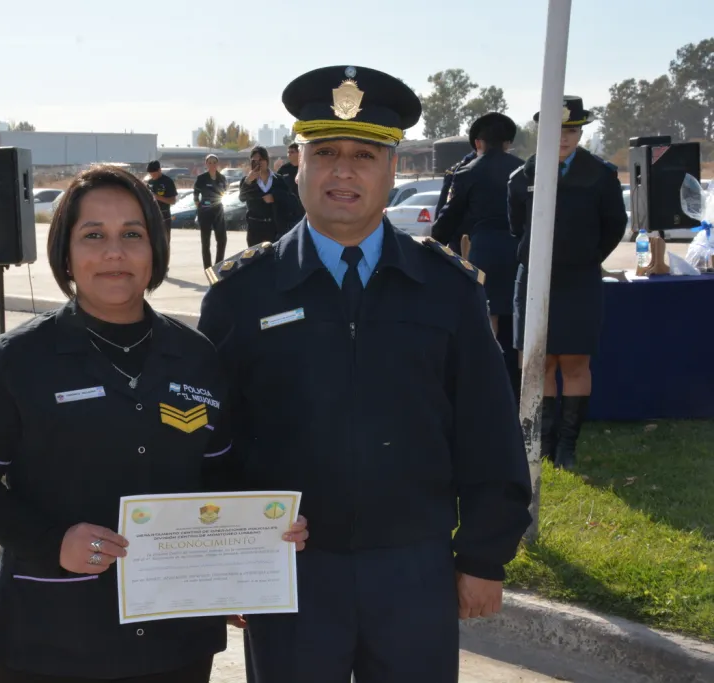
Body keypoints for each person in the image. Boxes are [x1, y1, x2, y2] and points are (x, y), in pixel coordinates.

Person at [198, 64, 533, 683]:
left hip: (415, 569)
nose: (344, 172)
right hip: (290, 568)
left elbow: (487, 430)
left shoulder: (447, 289)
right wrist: (230, 556)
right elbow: (214, 439)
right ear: (298, 163)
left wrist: (485, 555)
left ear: (392, 168)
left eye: (364, 155)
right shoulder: (242, 294)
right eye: (325, 153)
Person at [0, 164, 307, 683]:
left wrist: (254, 542)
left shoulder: (196, 357)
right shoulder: (16, 360)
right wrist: (51, 542)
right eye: (94, 235)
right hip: (51, 637)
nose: (115, 252)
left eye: (132, 234)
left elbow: (218, 475)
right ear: (65, 253)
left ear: (155, 248)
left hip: (174, 638)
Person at [508, 96, 627, 470]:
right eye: (556, 130)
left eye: (572, 131)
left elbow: (614, 226)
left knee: (574, 362)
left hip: (578, 280)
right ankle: (542, 444)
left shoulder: (601, 175)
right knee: (538, 362)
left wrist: (586, 256)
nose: (563, 138)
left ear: (580, 134)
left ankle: (566, 447)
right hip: (534, 279)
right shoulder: (522, 176)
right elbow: (516, 227)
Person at [431, 112, 524, 339]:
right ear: (507, 144)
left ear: (478, 143)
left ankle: (489, 361)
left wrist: (435, 243)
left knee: (486, 315)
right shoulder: (525, 171)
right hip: (521, 253)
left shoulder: (467, 172)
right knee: (520, 316)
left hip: (483, 251)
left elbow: (450, 214)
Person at [239, 145, 301, 245]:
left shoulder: (278, 179)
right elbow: (242, 197)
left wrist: (275, 196)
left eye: (261, 160)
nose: (258, 163)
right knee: (255, 255)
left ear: (267, 160)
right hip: (255, 229)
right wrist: (248, 181)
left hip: (275, 228)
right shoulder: (248, 181)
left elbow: (292, 200)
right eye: (254, 161)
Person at [193, 154, 228, 271]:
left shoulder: (222, 178)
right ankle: (208, 267)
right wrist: (199, 204)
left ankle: (218, 265)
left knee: (222, 240)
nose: (212, 164)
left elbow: (225, 191)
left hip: (218, 210)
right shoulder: (201, 178)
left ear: (218, 164)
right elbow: (196, 194)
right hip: (205, 211)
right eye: (210, 162)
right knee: (206, 241)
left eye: (214, 162)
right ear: (206, 164)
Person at [145, 160, 177, 240]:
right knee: (152, 240)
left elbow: (173, 201)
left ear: (159, 170)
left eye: (154, 173)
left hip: (164, 215)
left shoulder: (167, 181)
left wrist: (157, 197)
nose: (152, 175)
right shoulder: (150, 182)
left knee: (164, 240)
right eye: (150, 173)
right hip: (152, 215)